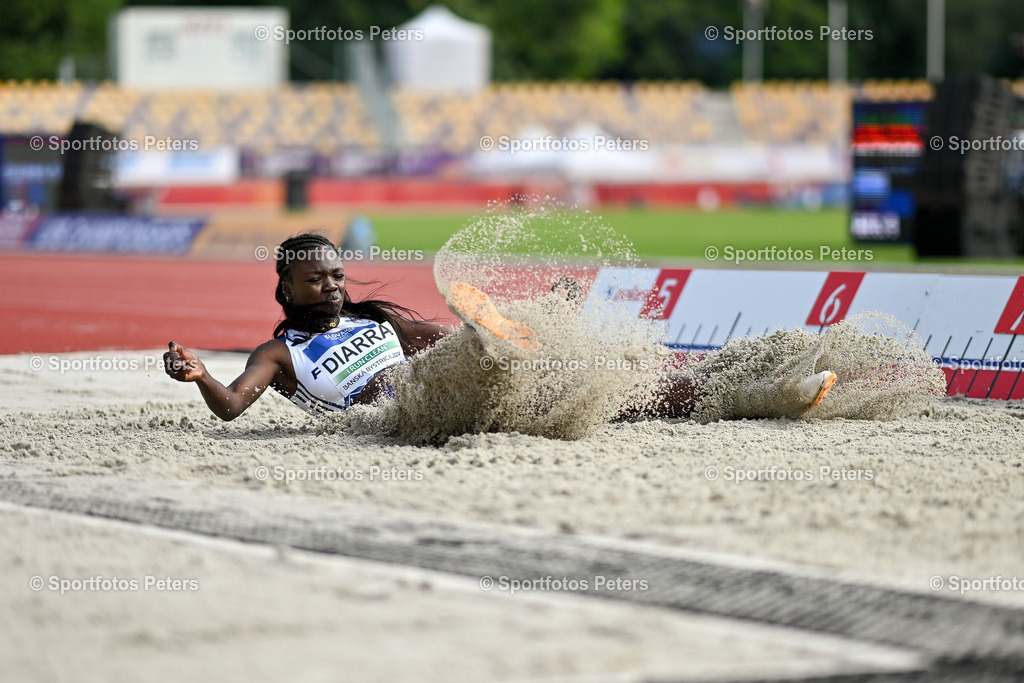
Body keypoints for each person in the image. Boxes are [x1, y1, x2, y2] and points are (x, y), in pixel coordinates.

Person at [164, 232, 836, 423]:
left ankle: (768, 388)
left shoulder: (378, 318)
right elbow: (231, 408)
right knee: (436, 369)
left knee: (623, 399)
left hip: (448, 382)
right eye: (317, 279)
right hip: (397, 413)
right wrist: (199, 375)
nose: (333, 285)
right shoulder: (278, 353)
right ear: (285, 287)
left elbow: (437, 337)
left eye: (338, 275)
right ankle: (510, 344)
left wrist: (498, 330)